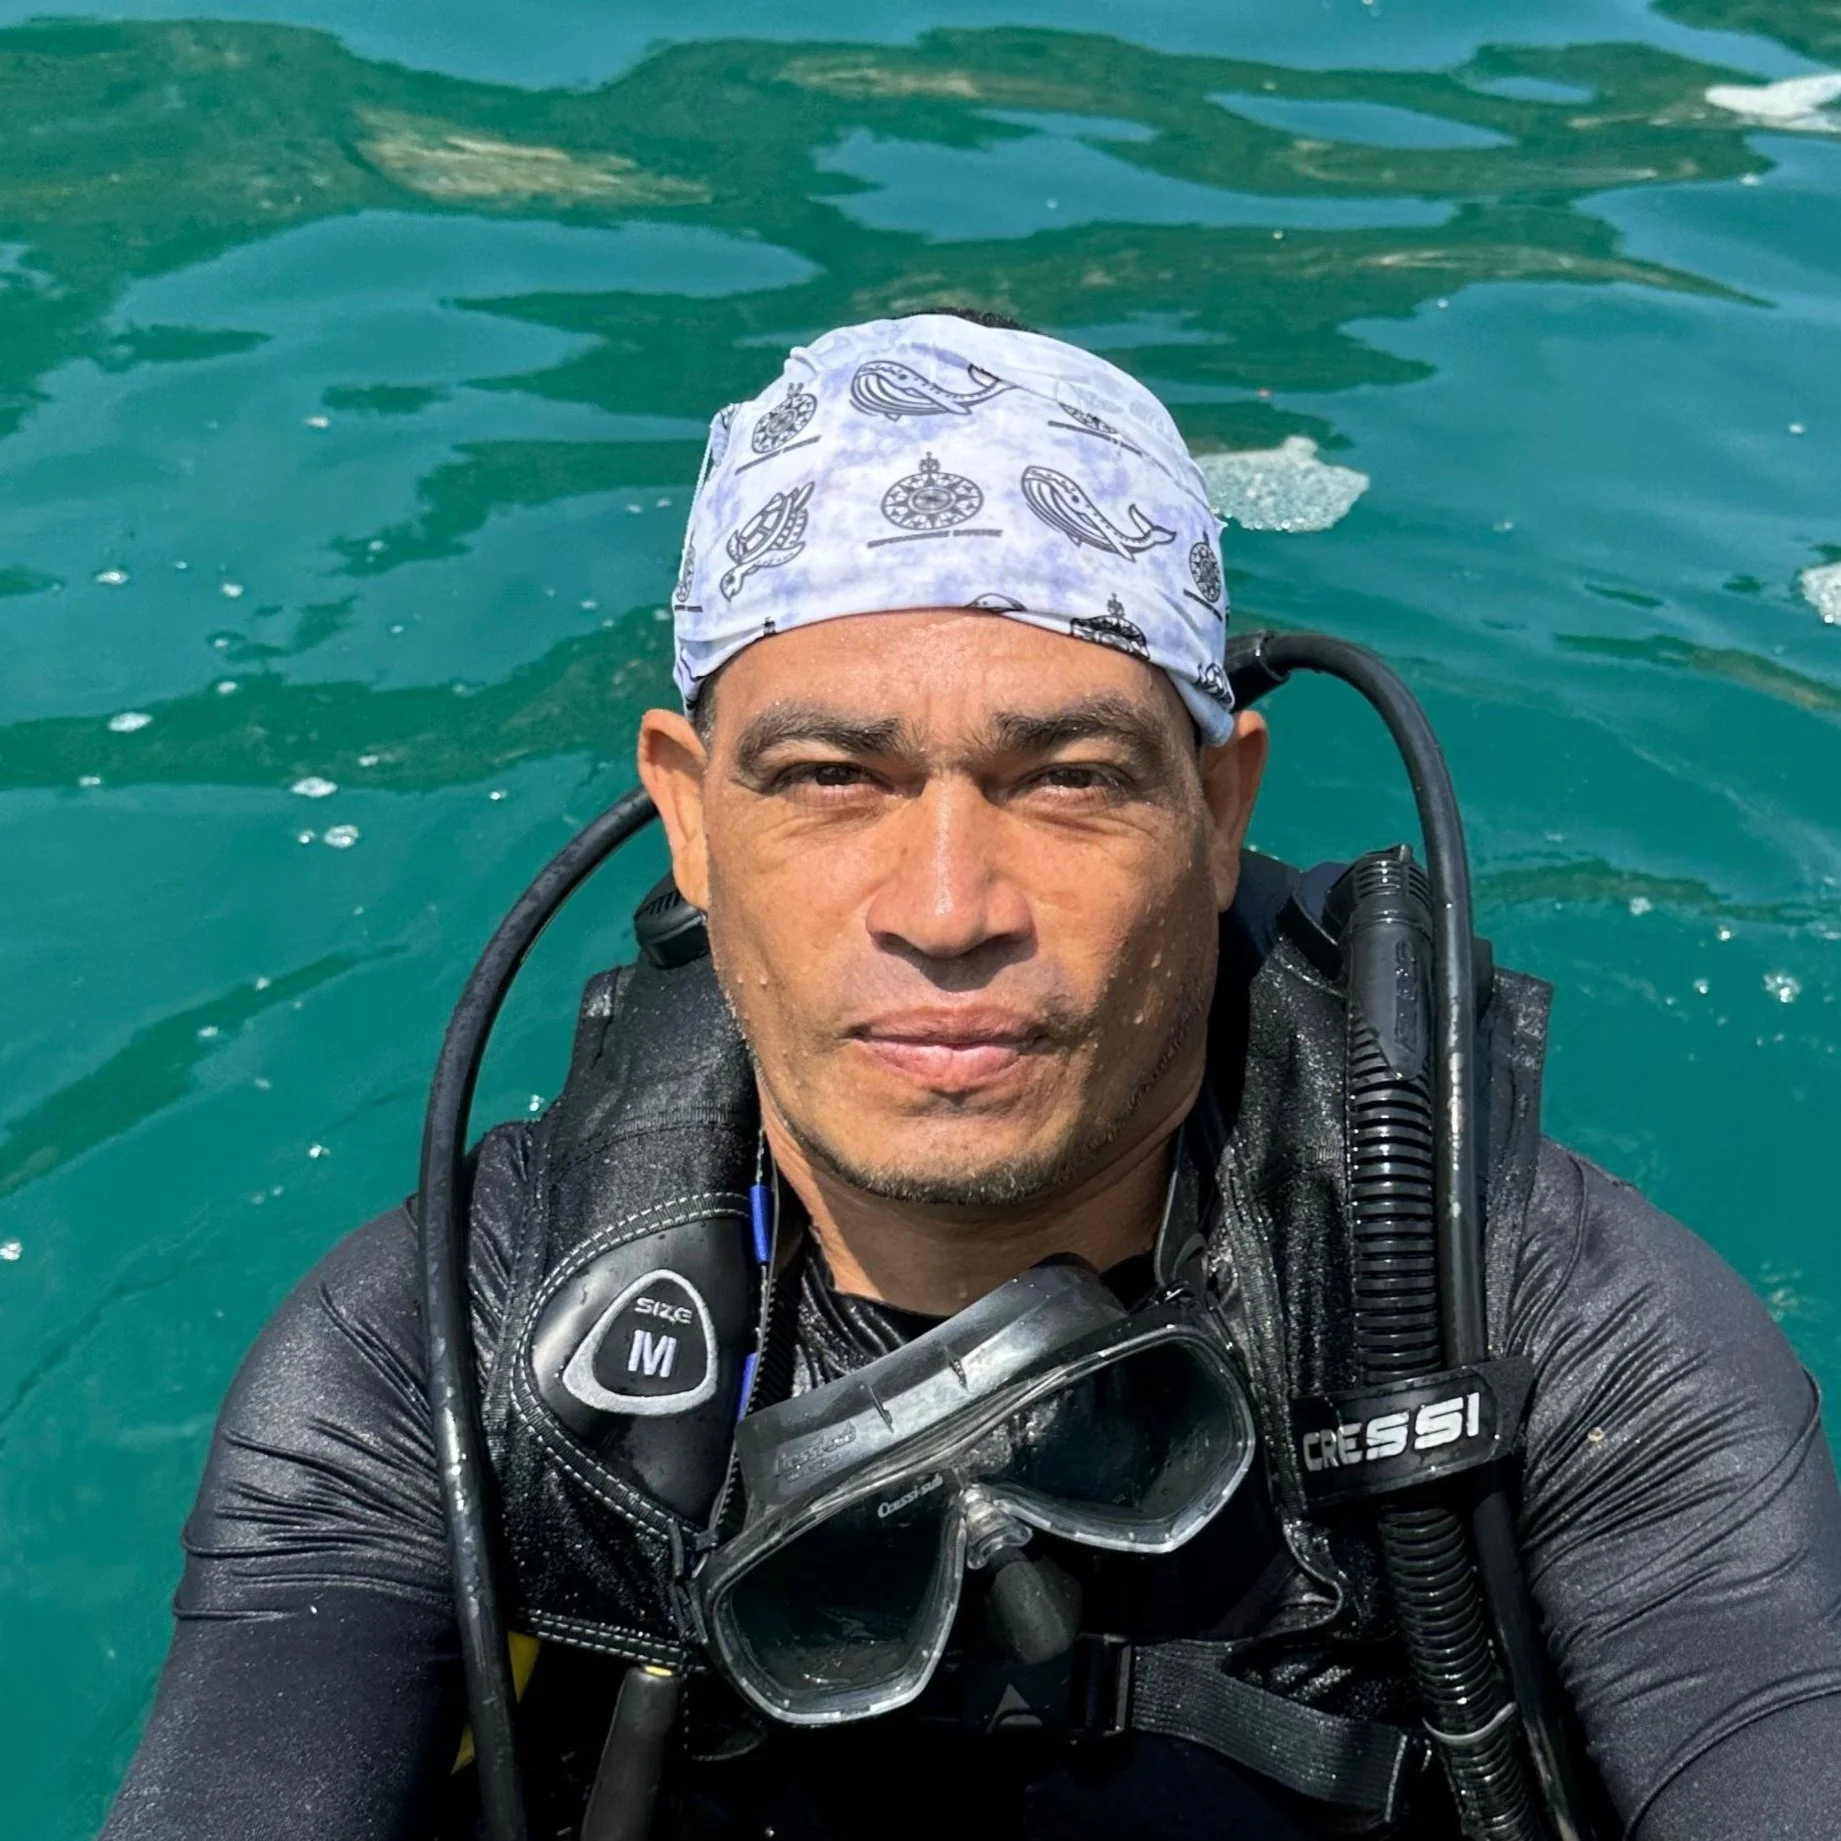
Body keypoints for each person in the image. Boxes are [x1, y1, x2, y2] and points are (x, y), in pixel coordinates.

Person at [101, 312, 1841, 1841]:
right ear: (692, 820)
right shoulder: (454, 1349)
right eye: (831, 779)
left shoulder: (1532, 1325)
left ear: (1221, 814)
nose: (948, 911)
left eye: (1069, 776)